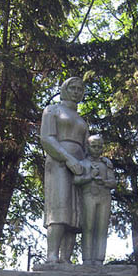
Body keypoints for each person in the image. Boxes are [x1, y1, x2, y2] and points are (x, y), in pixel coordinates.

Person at [40, 77, 89, 264]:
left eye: (80, 89)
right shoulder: (52, 110)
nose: (76, 91)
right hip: (59, 163)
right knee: (59, 207)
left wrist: (86, 165)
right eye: (73, 88)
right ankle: (52, 255)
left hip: (80, 166)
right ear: (64, 89)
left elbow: (87, 146)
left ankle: (66, 258)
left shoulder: (81, 119)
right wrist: (68, 158)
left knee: (75, 213)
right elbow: (47, 139)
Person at [73, 134, 116, 265]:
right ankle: (87, 259)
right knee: (89, 227)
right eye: (94, 146)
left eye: (99, 147)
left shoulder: (106, 163)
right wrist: (90, 177)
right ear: (88, 147)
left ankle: (99, 259)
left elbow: (113, 182)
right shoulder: (82, 163)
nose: (96, 149)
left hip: (104, 196)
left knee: (102, 228)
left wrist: (104, 181)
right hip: (88, 196)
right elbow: (76, 180)